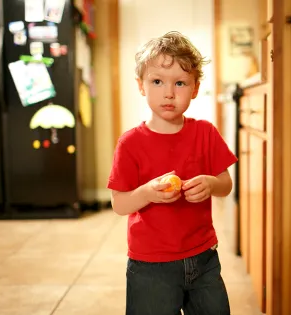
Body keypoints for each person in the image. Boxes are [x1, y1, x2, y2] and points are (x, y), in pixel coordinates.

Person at [107, 31, 238, 315]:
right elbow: (119, 204)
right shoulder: (130, 143)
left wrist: (211, 183)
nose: (169, 93)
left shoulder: (205, 133)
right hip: (150, 265)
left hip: (203, 257)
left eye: (180, 83)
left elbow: (226, 184)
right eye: (157, 82)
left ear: (195, 87)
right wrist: (147, 193)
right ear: (141, 86)